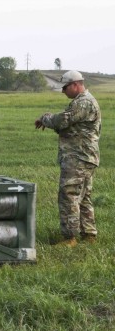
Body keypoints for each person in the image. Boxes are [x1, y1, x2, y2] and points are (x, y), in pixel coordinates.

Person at [35, 70, 101, 247]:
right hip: (84, 156)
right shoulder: (81, 102)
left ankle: (70, 237)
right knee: (84, 196)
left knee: (69, 194)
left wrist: (45, 118)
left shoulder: (84, 102)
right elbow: (66, 123)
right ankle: (89, 235)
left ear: (75, 84)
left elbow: (62, 120)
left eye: (65, 87)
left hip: (78, 156)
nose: (63, 91)